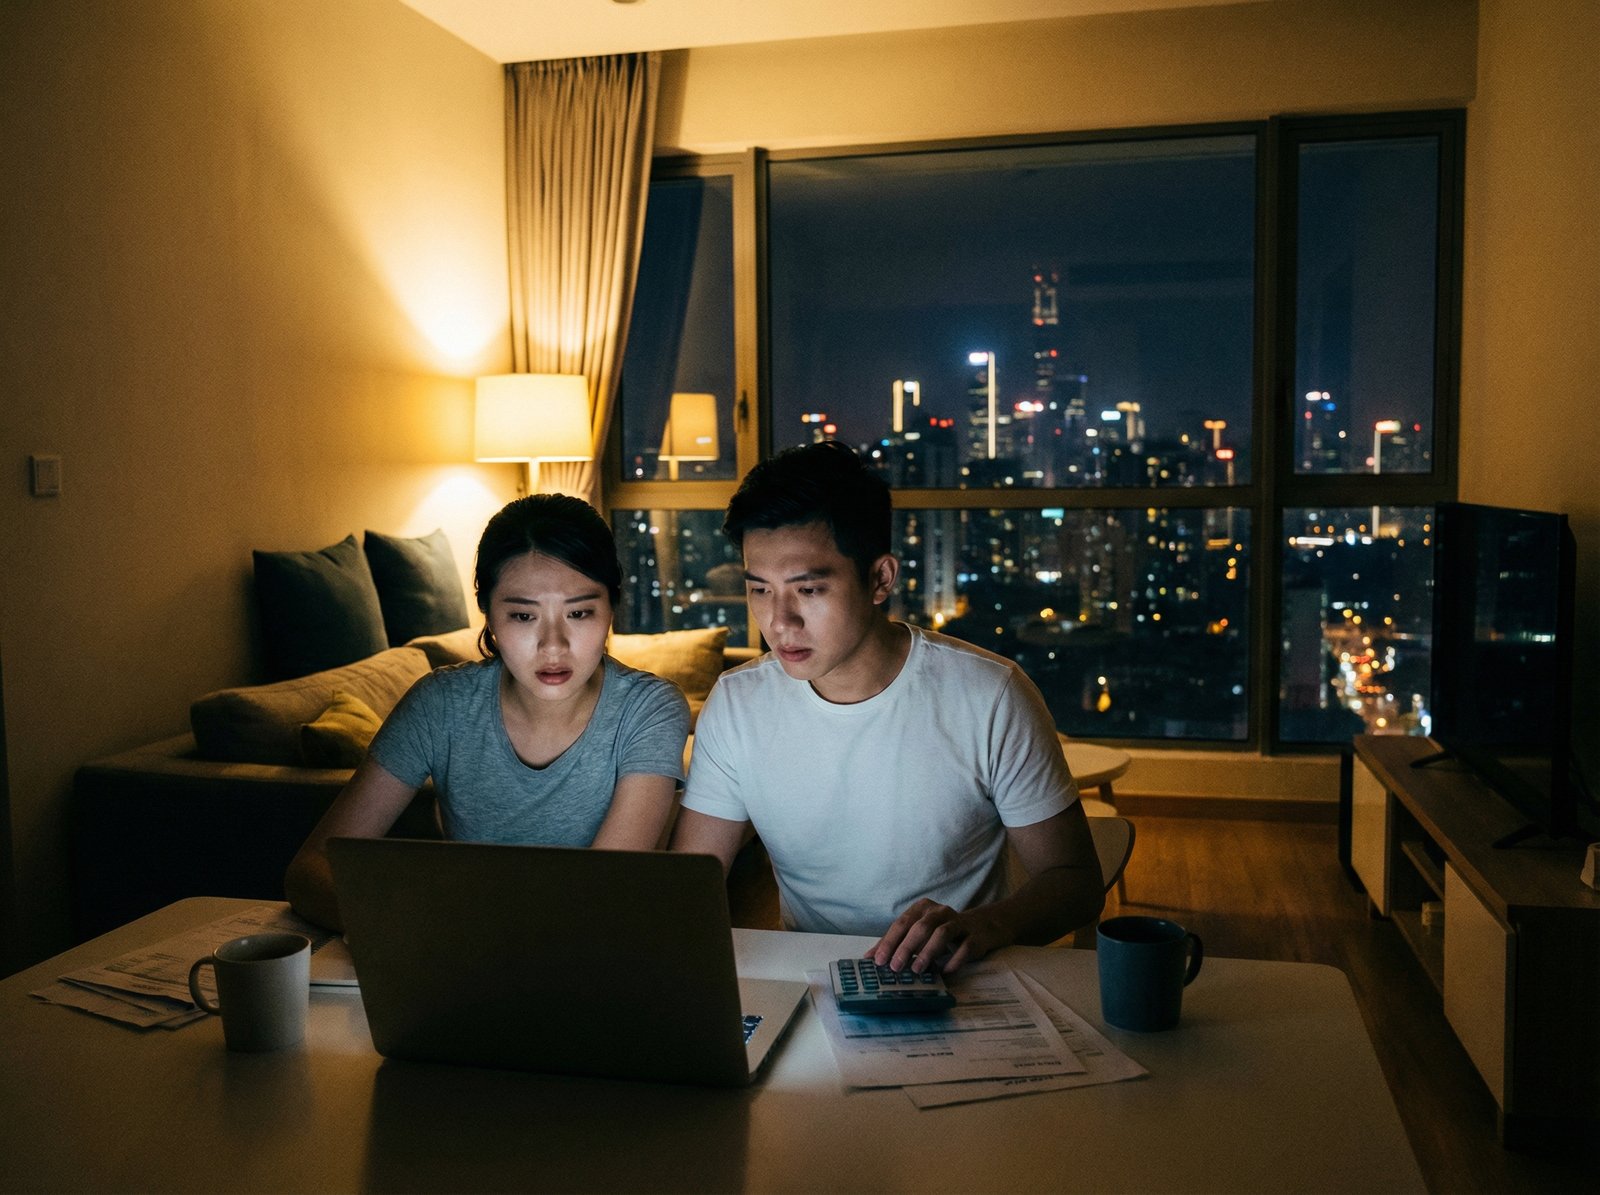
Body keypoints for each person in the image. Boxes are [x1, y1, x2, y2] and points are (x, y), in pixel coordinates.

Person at [671, 441, 1104, 974]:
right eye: (760, 589)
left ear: (880, 579)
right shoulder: (738, 704)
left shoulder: (989, 694)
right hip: (816, 982)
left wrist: (989, 924)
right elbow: (689, 883)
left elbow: (1075, 882)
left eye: (808, 589)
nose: (779, 621)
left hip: (960, 978)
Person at [286, 494, 690, 930]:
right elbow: (311, 869)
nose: (553, 645)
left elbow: (601, 894)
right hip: (462, 957)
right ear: (488, 613)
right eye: (522, 616)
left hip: (591, 963)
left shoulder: (650, 709)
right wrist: (399, 929)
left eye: (579, 612)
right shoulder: (440, 705)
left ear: (612, 608)